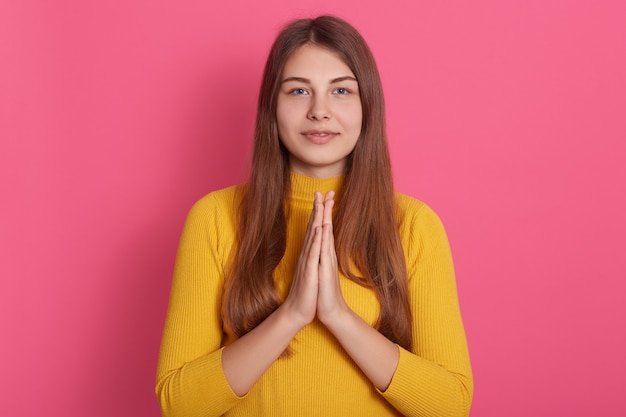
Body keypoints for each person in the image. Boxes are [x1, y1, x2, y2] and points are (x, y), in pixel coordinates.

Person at [156, 15, 473, 417]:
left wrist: (339, 316)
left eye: (341, 90)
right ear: (272, 105)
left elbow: (450, 405)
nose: (319, 111)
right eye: (299, 90)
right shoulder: (215, 219)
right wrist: (291, 315)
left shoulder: (413, 226)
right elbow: (179, 405)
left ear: (367, 106)